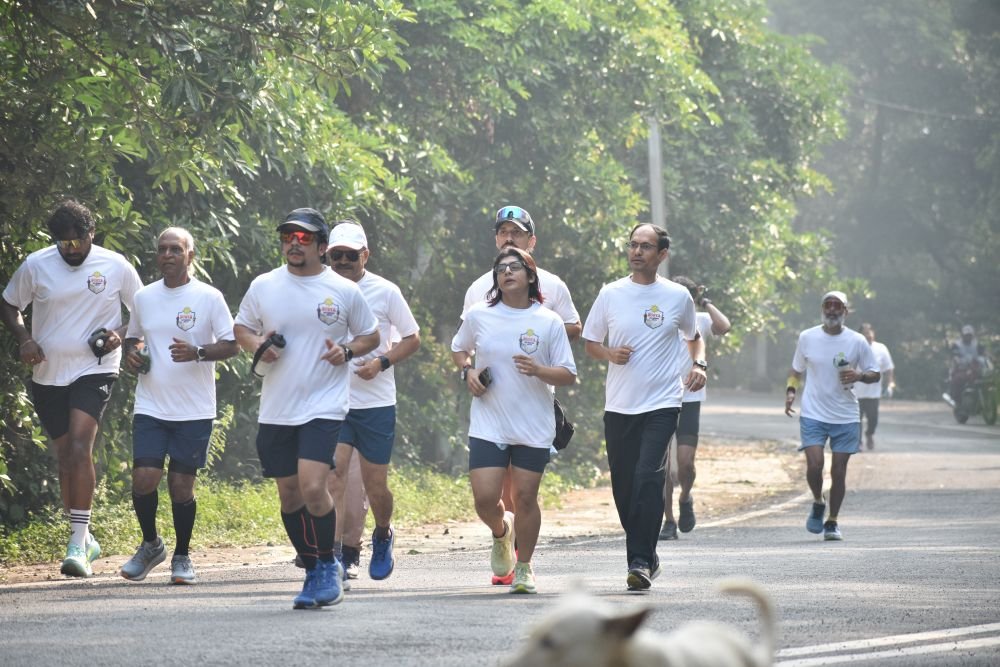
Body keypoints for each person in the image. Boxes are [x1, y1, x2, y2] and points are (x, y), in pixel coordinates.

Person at [234, 208, 379, 609]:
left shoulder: (343, 291)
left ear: (322, 246)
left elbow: (370, 336)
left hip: (325, 405)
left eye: (303, 238)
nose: (294, 244)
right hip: (277, 406)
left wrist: (347, 351)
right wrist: (258, 345)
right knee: (289, 495)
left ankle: (329, 565)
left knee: (314, 486)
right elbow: (241, 328)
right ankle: (313, 569)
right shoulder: (264, 285)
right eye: (288, 237)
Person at [1, 199, 142, 578]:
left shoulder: (115, 265)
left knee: (80, 448)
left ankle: (77, 543)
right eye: (64, 243)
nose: (71, 249)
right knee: (65, 456)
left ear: (91, 234)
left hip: (95, 369)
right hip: (48, 372)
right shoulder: (37, 264)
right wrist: (24, 338)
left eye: (78, 242)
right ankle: (84, 535)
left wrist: (121, 334)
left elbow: (144, 310)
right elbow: (9, 303)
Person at [461, 204, 581, 584]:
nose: (508, 238)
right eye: (503, 232)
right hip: (492, 405)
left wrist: (538, 346)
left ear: (532, 242)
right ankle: (503, 535)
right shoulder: (479, 294)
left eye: (516, 232)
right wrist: (468, 370)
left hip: (533, 403)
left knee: (523, 493)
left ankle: (522, 564)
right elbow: (464, 344)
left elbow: (571, 332)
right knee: (489, 495)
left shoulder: (551, 294)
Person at [582, 223, 706, 591]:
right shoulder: (611, 294)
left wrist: (698, 365)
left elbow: (694, 338)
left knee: (649, 477)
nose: (637, 252)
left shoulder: (677, 297)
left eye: (646, 246)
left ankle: (638, 560)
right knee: (624, 486)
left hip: (663, 403)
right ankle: (648, 555)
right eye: (633, 245)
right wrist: (609, 354)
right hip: (620, 405)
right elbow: (590, 343)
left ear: (662, 254)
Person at [119, 227, 238, 584]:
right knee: (144, 478)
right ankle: (151, 545)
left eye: (175, 249)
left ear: (190, 255)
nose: (167, 255)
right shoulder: (144, 297)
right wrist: (133, 354)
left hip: (194, 409)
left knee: (181, 486)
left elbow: (232, 344)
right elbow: (133, 338)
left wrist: (198, 352)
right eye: (162, 249)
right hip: (151, 405)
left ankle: (182, 556)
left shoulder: (209, 297)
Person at [324, 220, 420, 582]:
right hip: (333, 401)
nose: (343, 262)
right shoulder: (320, 289)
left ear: (365, 255)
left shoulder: (385, 291)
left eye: (350, 255)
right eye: (336, 255)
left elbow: (412, 338)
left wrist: (381, 363)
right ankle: (333, 557)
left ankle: (382, 533)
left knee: (375, 485)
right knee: (334, 475)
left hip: (376, 403)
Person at [784, 291, 879, 541]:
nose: (832, 310)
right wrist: (791, 391)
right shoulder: (807, 337)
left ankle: (832, 521)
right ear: (822, 309)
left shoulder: (857, 341)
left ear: (845, 311)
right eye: (828, 305)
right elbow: (796, 370)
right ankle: (818, 501)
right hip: (813, 412)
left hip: (845, 414)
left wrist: (859, 376)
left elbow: (875, 373)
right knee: (815, 465)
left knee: (838, 471)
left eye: (838, 306)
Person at [659, 276, 731, 541]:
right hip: (661, 399)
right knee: (664, 466)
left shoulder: (699, 319)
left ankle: (685, 497)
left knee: (685, 463)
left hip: (689, 399)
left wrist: (705, 302)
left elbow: (724, 326)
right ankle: (668, 521)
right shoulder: (660, 318)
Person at [853, 323, 895, 450]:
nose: (869, 335)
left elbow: (889, 368)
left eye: (870, 332)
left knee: (873, 419)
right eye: (866, 333)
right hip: (856, 392)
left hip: (874, 392)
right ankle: (858, 442)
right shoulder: (853, 348)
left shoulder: (881, 348)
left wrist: (890, 384)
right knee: (856, 419)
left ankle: (869, 433)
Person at [945, 324, 989, 406]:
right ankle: (956, 400)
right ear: (962, 335)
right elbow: (955, 357)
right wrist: (959, 361)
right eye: (966, 335)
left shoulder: (976, 344)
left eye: (970, 335)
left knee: (986, 380)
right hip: (960, 368)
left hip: (974, 368)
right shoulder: (957, 345)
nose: (968, 337)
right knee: (958, 380)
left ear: (972, 335)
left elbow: (985, 353)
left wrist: (990, 359)